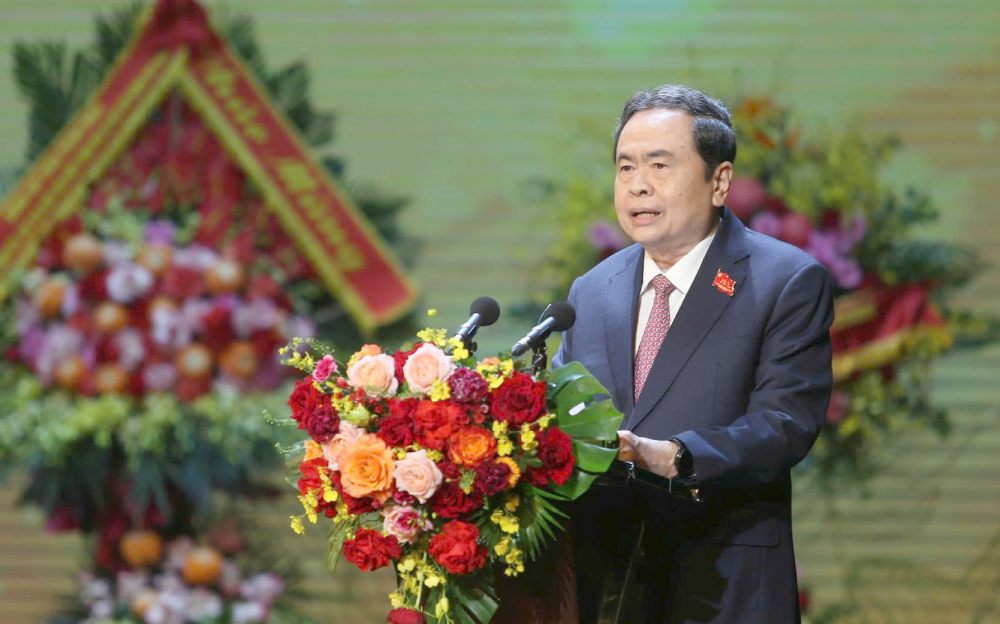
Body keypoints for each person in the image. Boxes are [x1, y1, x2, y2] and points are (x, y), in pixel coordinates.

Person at [552, 84, 834, 623]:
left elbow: (785, 423)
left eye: (660, 166)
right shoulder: (592, 289)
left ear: (719, 181)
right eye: (626, 168)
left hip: (721, 580)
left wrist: (678, 454)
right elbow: (569, 415)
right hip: (604, 580)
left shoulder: (784, 280)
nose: (638, 187)